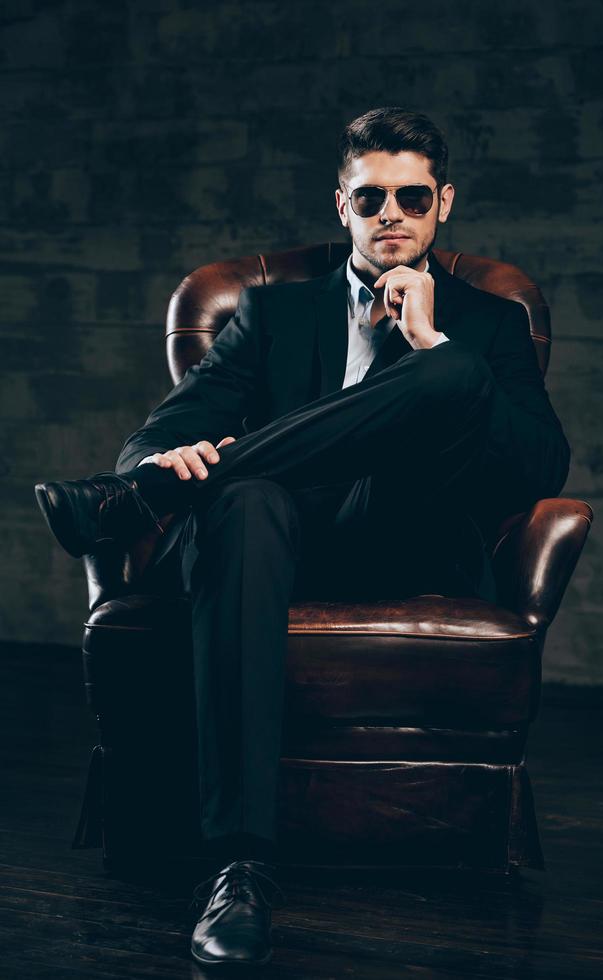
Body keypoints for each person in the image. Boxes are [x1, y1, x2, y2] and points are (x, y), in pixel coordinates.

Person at [34, 106, 571, 969]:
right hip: (273, 544)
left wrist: (430, 346)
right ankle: (240, 868)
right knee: (244, 504)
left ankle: (127, 505)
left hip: (408, 538)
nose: (391, 213)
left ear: (444, 205)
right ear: (341, 206)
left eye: (412, 196)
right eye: (370, 199)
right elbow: (163, 429)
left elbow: (542, 464)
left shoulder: (487, 321)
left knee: (452, 374)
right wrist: (166, 458)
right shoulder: (270, 314)